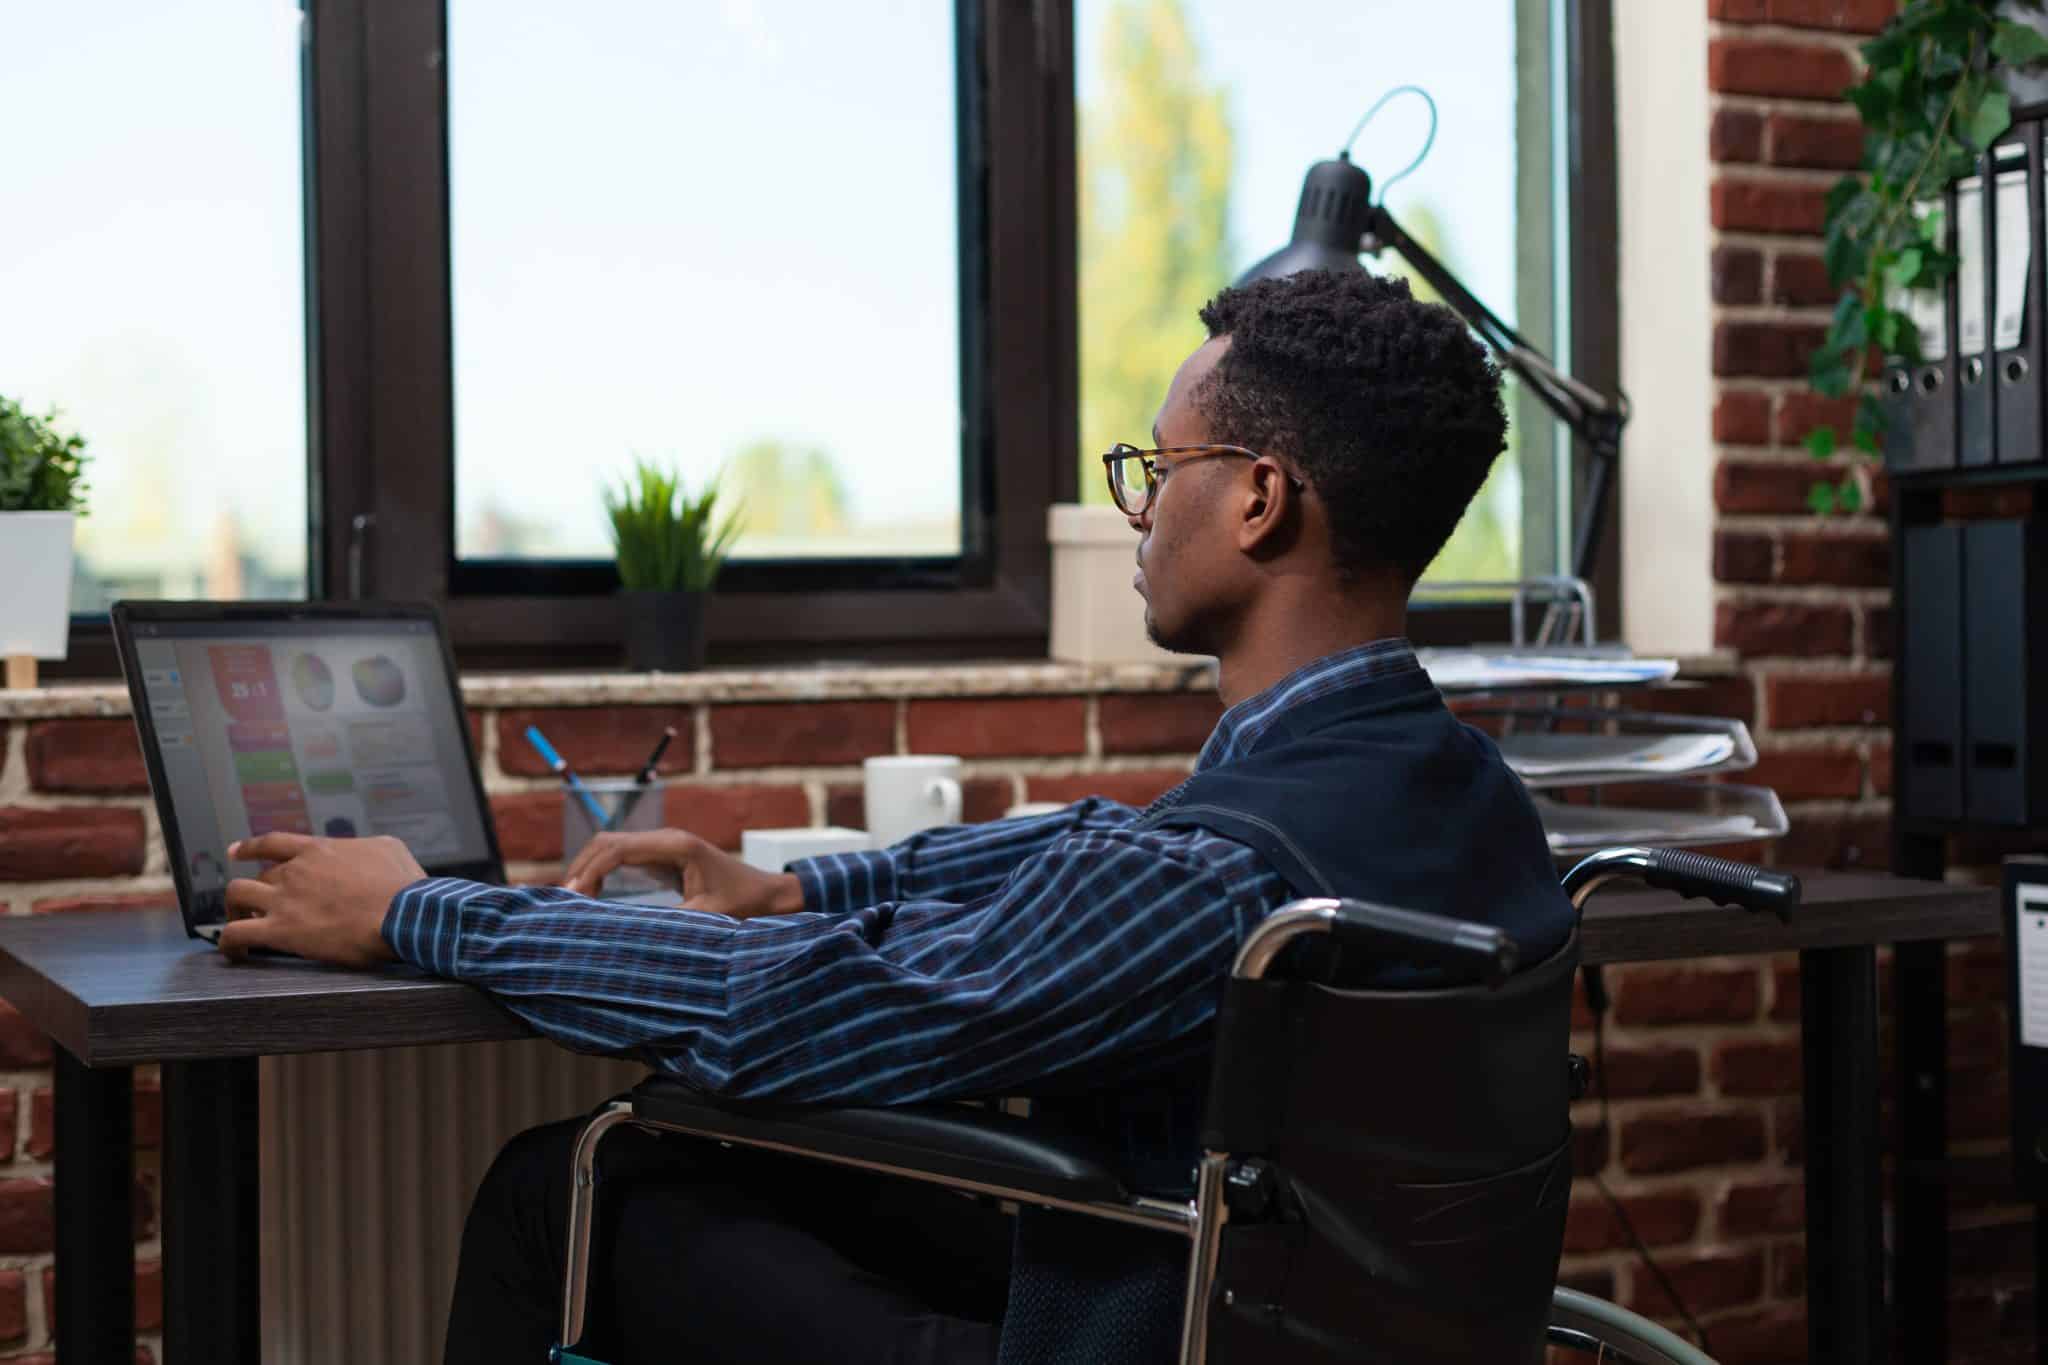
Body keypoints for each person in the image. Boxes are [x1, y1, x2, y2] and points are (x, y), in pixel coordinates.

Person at [220, 268, 1574, 1365]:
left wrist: (413, 910)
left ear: (1263, 498)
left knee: (573, 1176)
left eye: (1159, 470)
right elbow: (1092, 840)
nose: (1143, 511)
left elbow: (789, 1012)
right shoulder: (1465, 796)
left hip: (1140, 1330)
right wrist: (799, 887)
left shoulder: (1220, 876)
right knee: (699, 1168)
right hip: (1256, 1302)